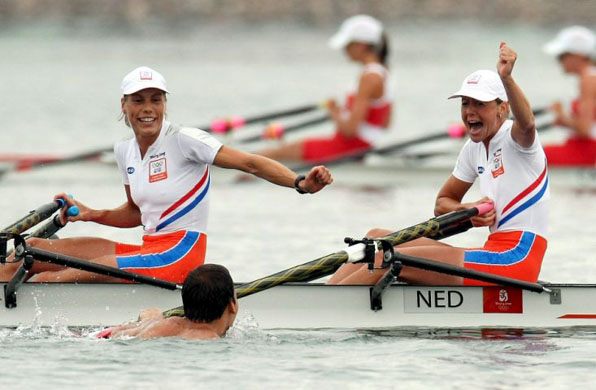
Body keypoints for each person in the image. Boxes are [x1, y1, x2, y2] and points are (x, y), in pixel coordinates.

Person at [0, 66, 333, 284]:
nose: (148, 108)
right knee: (33, 250)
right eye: (139, 100)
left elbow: (250, 163)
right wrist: (91, 214)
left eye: (156, 100)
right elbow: (135, 213)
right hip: (147, 249)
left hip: (179, 256)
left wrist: (299, 183)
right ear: (124, 106)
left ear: (164, 104)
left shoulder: (186, 140)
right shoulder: (124, 151)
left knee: (53, 276)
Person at [328, 43, 550, 286]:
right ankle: (328, 295)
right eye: (465, 103)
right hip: (492, 251)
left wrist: (506, 78)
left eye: (480, 104)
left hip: (516, 259)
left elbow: (528, 123)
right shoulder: (472, 148)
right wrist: (465, 210)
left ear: (502, 109)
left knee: (387, 257)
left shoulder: (517, 140)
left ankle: (326, 308)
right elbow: (442, 203)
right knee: (375, 239)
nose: (470, 112)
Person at [259, 15, 392, 163]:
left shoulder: (368, 77)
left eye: (347, 44)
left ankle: (238, 167)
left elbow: (349, 131)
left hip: (348, 147)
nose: (344, 50)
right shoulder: (384, 72)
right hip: (363, 147)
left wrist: (334, 111)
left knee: (273, 154)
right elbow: (385, 123)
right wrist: (345, 112)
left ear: (361, 44)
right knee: (284, 150)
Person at [98, 264, 237, 340]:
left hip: (107, 337)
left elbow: (148, 316)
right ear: (232, 306)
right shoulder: (208, 339)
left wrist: (151, 316)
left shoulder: (161, 323)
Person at [542, 26, 596, 166]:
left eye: (562, 56)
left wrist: (563, 118)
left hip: (586, 150)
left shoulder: (588, 80)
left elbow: (584, 130)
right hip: (583, 147)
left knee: (523, 154)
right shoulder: (591, 76)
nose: (559, 61)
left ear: (579, 55)